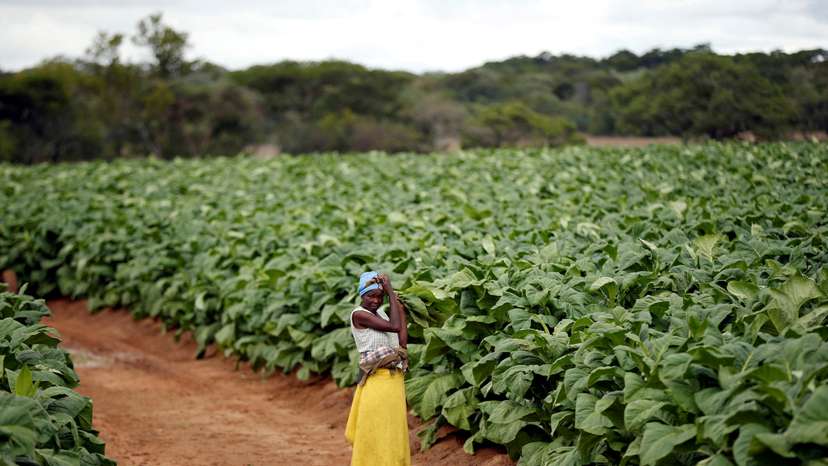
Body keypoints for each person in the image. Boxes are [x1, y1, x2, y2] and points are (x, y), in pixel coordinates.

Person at [344, 271, 410, 466]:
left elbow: (402, 344)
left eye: (379, 297)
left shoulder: (381, 313)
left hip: (394, 382)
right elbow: (394, 327)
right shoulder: (359, 315)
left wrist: (400, 310)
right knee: (375, 432)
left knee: (392, 432)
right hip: (376, 382)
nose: (375, 301)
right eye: (370, 296)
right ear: (361, 295)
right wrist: (390, 291)